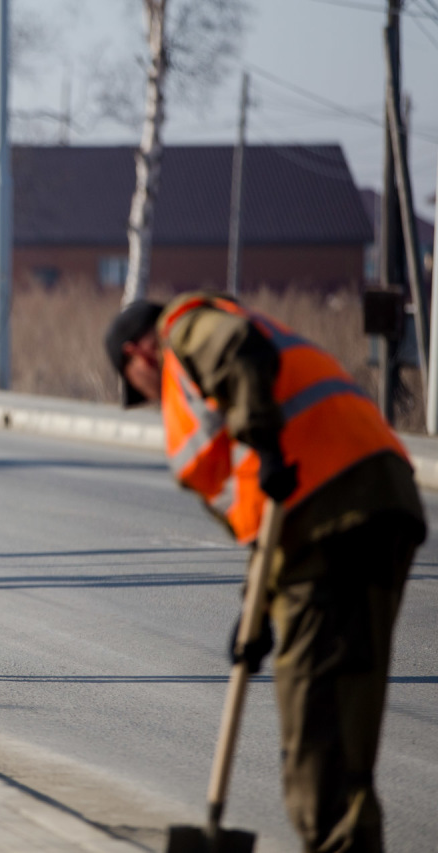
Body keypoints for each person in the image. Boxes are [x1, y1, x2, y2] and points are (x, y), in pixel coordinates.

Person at [104, 293, 426, 853]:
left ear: (138, 352)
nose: (147, 396)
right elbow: (260, 515)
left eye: (136, 381)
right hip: (374, 502)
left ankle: (337, 840)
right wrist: (257, 608)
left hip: (334, 511)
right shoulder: (200, 391)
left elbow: (240, 349)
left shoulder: (186, 327)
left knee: (316, 727)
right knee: (347, 711)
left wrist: (266, 441)